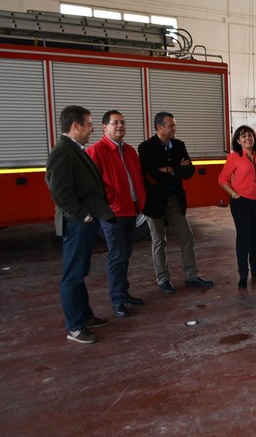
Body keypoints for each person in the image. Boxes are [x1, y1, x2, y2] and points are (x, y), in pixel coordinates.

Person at [45, 105, 116, 344]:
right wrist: (82, 215)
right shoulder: (62, 151)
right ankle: (75, 327)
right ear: (75, 126)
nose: (92, 128)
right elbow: (60, 192)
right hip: (77, 223)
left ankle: (85, 317)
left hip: (83, 221)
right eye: (89, 124)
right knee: (73, 275)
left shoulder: (74, 149)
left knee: (80, 271)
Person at [138, 111, 214, 293]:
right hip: (154, 201)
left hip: (174, 199)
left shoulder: (179, 145)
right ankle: (163, 279)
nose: (174, 128)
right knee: (159, 240)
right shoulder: (146, 147)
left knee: (186, 236)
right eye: (171, 125)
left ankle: (192, 277)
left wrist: (169, 170)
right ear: (159, 127)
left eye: (174, 124)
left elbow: (189, 172)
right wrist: (176, 169)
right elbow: (150, 175)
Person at [86, 110, 146, 318]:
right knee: (117, 255)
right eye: (115, 123)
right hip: (113, 213)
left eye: (123, 122)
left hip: (131, 210)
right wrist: (107, 206)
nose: (120, 126)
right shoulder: (96, 151)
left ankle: (124, 292)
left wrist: (140, 202)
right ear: (104, 127)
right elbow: (91, 186)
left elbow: (136, 177)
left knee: (125, 255)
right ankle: (117, 299)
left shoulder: (129, 150)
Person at [218, 125, 256, 288]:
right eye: (243, 136)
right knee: (244, 237)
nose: (247, 138)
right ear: (238, 140)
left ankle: (255, 268)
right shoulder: (234, 157)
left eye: (250, 135)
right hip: (241, 202)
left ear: (254, 138)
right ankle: (243, 273)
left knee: (255, 236)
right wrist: (234, 195)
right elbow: (222, 179)